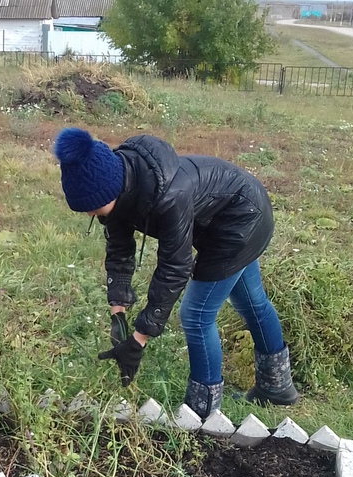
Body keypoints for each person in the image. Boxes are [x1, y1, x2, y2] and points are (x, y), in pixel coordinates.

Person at [53, 127, 299, 419]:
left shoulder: (169, 195)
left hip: (242, 221)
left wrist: (139, 337)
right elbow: (119, 251)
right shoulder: (121, 184)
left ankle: (201, 414)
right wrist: (118, 313)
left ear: (111, 190)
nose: (90, 215)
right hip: (222, 216)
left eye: (92, 208)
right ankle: (277, 386)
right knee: (250, 300)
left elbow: (174, 267)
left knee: (195, 315)